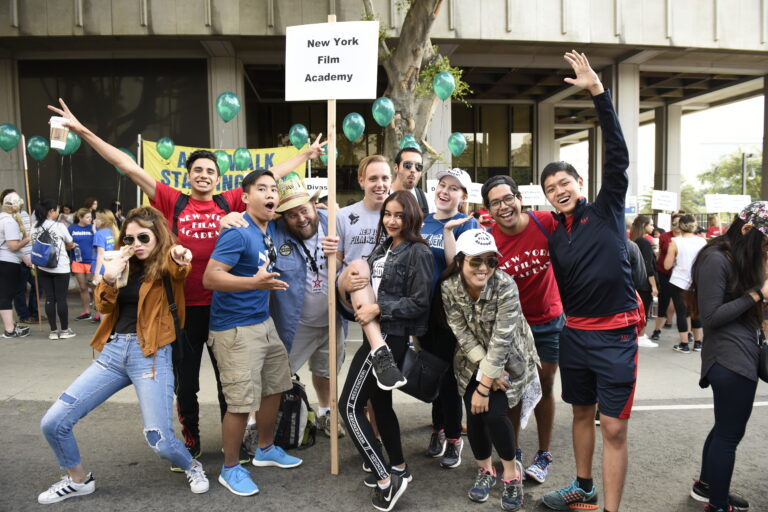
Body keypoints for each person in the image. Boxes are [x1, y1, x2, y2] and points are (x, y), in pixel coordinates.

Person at [48, 98, 324, 466]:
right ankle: (191, 438)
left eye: (210, 170)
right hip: (182, 310)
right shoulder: (172, 200)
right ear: (188, 175)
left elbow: (269, 175)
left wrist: (304, 156)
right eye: (198, 170)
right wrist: (82, 131)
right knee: (187, 383)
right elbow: (125, 164)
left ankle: (238, 443)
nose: (204, 175)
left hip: (225, 309)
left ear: (219, 178)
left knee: (233, 383)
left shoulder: (230, 204)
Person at [38, 206, 209, 504]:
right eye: (129, 239)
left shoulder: (168, 261)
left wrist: (182, 257)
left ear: (158, 235)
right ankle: (78, 479)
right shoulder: (121, 262)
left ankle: (191, 465)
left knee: (161, 441)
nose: (136, 244)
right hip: (113, 354)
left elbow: (181, 265)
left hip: (151, 355)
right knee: (53, 422)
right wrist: (108, 277)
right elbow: (103, 308)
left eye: (144, 236)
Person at [539, 52, 641, 512]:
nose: (559, 190)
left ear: (580, 183)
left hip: (616, 336)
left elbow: (617, 154)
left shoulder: (605, 210)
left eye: (564, 182)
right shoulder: (552, 232)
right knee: (580, 412)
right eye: (550, 188)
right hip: (573, 334)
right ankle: (582, 486)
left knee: (613, 427)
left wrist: (598, 92)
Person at [223, 173, 346, 438]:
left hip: (332, 320)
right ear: (283, 217)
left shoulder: (335, 224)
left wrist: (340, 254)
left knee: (326, 372)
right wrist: (225, 218)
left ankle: (325, 412)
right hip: (295, 323)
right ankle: (258, 426)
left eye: (304, 210)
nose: (301, 219)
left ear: (315, 205)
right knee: (276, 378)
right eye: (292, 215)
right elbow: (249, 224)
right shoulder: (275, 233)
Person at [203, 169, 302, 497]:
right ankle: (230, 469)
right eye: (262, 189)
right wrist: (253, 283)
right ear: (245, 197)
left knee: (275, 387)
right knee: (240, 403)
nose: (270, 194)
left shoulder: (267, 228)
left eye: (273, 189)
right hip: (234, 329)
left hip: (263, 322)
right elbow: (211, 278)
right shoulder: (237, 231)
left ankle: (265, 448)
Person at [336, 190, 432, 512]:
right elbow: (362, 290)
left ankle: (385, 479)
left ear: (412, 217)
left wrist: (380, 309)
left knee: (349, 407)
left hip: (389, 339)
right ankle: (398, 467)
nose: (391, 220)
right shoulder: (383, 247)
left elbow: (420, 303)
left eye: (399, 215)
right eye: (387, 214)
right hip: (371, 333)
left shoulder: (418, 252)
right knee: (380, 405)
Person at [441, 228, 539, 512]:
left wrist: (485, 385)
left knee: (494, 414)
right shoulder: (448, 288)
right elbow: (461, 332)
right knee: (474, 414)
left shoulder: (506, 285)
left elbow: (503, 338)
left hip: (508, 360)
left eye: (491, 261)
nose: (484, 268)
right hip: (471, 360)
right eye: (475, 261)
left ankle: (511, 473)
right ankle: (485, 470)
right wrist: (486, 375)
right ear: (460, 261)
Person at [481, 174, 564, 484]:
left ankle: (544, 453)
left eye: (507, 198)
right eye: (495, 203)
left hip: (548, 321)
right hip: (513, 328)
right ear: (488, 208)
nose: (503, 206)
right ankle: (512, 451)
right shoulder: (489, 240)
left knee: (544, 384)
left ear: (519, 198)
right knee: (513, 391)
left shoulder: (546, 222)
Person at [686, 202, 766, 512]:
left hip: (737, 355)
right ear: (748, 231)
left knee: (724, 429)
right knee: (729, 435)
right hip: (729, 360)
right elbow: (711, 316)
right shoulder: (716, 259)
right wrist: (757, 294)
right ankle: (717, 504)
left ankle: (708, 487)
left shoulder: (737, 257)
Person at [418, 168, 479, 469]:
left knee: (451, 377)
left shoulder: (470, 224)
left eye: (454, 188)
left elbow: (461, 268)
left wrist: (448, 232)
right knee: (432, 373)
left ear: (463, 197)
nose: (445, 191)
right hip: (425, 312)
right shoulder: (422, 221)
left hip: (452, 314)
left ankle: (454, 438)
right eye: (442, 185)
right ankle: (439, 429)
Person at [32, 200, 76, 341]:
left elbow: (34, 244)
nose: (58, 212)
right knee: (61, 298)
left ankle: (53, 331)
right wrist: (70, 245)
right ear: (51, 211)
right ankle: (64, 330)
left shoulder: (35, 227)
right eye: (57, 210)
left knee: (50, 298)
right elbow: (69, 244)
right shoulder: (59, 226)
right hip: (60, 266)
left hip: (42, 266)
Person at [664, 214, 706, 353]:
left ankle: (684, 344)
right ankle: (698, 343)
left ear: (680, 226)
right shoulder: (702, 241)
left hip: (679, 281)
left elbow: (667, 266)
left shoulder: (675, 242)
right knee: (696, 311)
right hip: (697, 281)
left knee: (681, 313)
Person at [0, 192, 31, 338]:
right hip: (8, 262)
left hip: (4, 261)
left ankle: (11, 325)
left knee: (5, 295)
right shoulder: (10, 222)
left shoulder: (1, 218)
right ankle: (10, 330)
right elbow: (13, 246)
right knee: (6, 296)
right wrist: (28, 239)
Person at [651, 212, 684, 339]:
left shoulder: (686, 238)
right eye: (674, 223)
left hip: (681, 275)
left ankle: (687, 334)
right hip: (665, 273)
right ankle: (657, 330)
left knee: (682, 305)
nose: (676, 226)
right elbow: (660, 252)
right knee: (663, 301)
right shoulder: (664, 236)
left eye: (679, 223)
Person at [630, 215, 659, 347]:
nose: (653, 227)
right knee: (643, 310)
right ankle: (640, 336)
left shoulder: (634, 240)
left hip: (635, 281)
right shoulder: (644, 243)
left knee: (638, 309)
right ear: (643, 226)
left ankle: (639, 334)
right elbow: (648, 267)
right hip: (644, 283)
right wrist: (654, 286)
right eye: (651, 225)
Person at [68, 208, 96, 320]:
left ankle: (98, 312)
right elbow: (65, 243)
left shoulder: (93, 228)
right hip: (77, 261)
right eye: (88, 217)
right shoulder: (72, 228)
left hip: (91, 261)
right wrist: (70, 245)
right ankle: (86, 312)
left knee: (95, 287)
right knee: (83, 288)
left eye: (91, 217)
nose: (90, 219)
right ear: (80, 218)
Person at [390, 147, 431, 216]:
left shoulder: (427, 201)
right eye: (408, 165)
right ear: (396, 168)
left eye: (418, 166)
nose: (413, 170)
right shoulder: (381, 197)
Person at [92, 209, 119, 285]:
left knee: (98, 295)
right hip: (112, 267)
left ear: (102, 221)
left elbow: (100, 254)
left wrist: (96, 273)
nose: (94, 220)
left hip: (101, 269)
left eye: (96, 218)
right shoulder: (115, 231)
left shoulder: (99, 234)